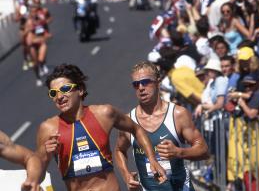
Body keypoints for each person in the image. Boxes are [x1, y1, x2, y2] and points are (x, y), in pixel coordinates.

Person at [36, 64, 166, 191]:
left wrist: (152, 159)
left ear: (80, 90)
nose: (59, 97)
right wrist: (45, 155)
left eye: (65, 89)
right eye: (53, 93)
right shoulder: (48, 129)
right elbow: (37, 177)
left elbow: (137, 129)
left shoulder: (104, 114)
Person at [115, 61, 209, 191]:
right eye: (136, 84)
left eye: (146, 82)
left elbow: (204, 150)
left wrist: (179, 152)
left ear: (158, 82)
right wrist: (126, 175)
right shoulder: (129, 121)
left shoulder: (177, 114)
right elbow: (119, 150)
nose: (141, 87)